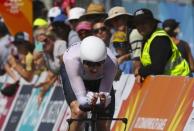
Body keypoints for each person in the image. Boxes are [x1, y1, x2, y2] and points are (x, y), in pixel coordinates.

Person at [61, 36, 117, 131]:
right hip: (76, 73)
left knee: (102, 121)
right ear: (82, 60)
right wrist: (88, 99)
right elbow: (82, 100)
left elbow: (104, 97)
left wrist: (103, 100)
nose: (94, 68)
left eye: (99, 63)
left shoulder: (111, 63)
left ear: (104, 60)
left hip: (100, 78)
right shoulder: (72, 60)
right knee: (78, 112)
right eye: (89, 64)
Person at [133, 8, 190, 82]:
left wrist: (140, 71)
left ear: (152, 23)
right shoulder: (148, 38)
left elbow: (157, 69)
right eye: (137, 24)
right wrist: (142, 73)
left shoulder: (159, 39)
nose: (140, 26)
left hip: (180, 81)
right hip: (171, 81)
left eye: (144, 22)